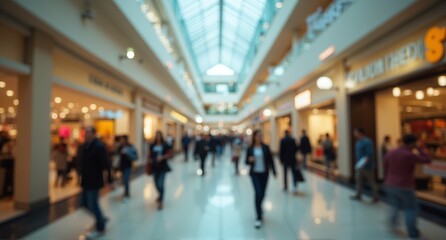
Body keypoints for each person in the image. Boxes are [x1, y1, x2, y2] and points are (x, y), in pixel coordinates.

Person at [384, 134, 431, 239]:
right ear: (412, 143)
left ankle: (392, 224)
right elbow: (427, 160)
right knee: (411, 208)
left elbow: (385, 165)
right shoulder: (409, 155)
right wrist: (420, 149)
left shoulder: (391, 152)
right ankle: (412, 232)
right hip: (405, 185)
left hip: (391, 183)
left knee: (395, 205)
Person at [80, 127, 109, 239]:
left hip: (94, 180)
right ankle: (100, 219)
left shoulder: (98, 147)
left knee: (93, 204)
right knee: (84, 204)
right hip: (86, 180)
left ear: (93, 134)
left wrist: (109, 180)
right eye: (86, 133)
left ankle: (100, 226)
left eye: (89, 132)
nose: (87, 134)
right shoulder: (85, 146)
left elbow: (106, 164)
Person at [246, 130, 277, 229]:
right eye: (258, 136)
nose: (260, 137)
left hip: (264, 173)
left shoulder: (265, 147)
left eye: (261, 135)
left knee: (263, 193)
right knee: (258, 192)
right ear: (254, 137)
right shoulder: (250, 148)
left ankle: (259, 206)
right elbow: (246, 161)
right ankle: (258, 216)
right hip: (254, 173)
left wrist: (274, 171)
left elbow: (270, 160)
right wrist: (250, 160)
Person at [351, 128, 379, 203]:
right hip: (359, 165)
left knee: (371, 182)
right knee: (359, 180)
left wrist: (362, 164)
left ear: (360, 133)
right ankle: (358, 194)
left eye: (355, 132)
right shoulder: (358, 142)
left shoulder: (367, 142)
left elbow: (369, 154)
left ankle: (376, 197)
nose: (354, 134)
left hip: (367, 166)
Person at [148, 131, 172, 210]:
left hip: (162, 167)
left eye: (159, 136)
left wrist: (162, 157)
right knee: (156, 183)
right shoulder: (152, 145)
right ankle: (160, 194)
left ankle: (161, 201)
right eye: (157, 136)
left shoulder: (165, 145)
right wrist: (150, 160)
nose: (158, 137)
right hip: (154, 167)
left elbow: (169, 154)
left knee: (160, 183)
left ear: (161, 137)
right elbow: (150, 155)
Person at [118, 135, 138, 202]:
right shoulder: (120, 147)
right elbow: (117, 155)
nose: (121, 141)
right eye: (120, 140)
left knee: (126, 179)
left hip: (128, 166)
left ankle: (127, 194)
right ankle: (125, 192)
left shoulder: (130, 146)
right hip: (121, 166)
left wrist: (127, 153)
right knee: (123, 180)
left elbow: (135, 156)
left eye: (122, 139)